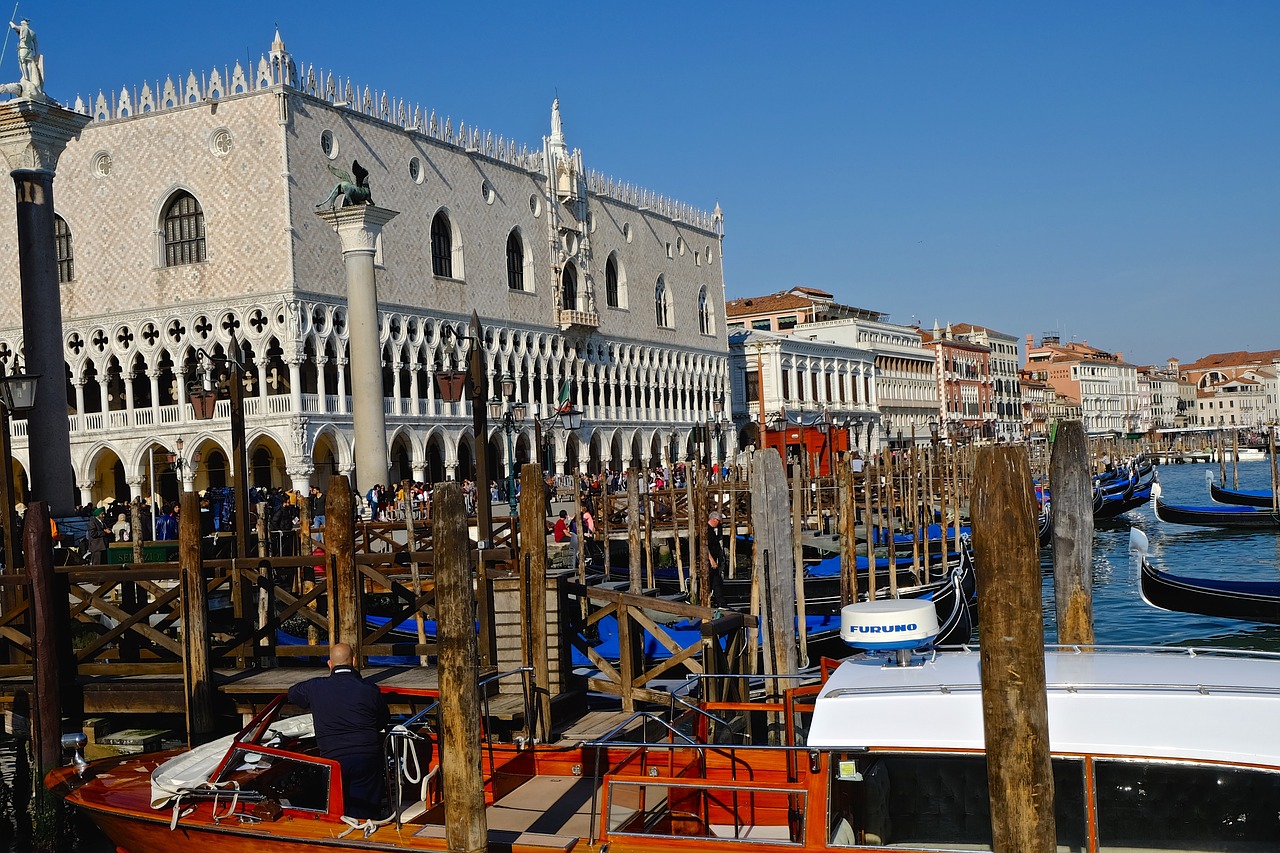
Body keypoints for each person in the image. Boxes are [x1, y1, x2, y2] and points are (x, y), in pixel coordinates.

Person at [287, 642, 388, 819]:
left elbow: (292, 693)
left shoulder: (314, 687)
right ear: (354, 661)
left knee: (334, 811)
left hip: (333, 760)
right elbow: (383, 721)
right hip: (366, 757)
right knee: (367, 814)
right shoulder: (370, 690)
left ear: (329, 664)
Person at [706, 511, 726, 607]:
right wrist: (712, 560)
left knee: (717, 582)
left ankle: (721, 603)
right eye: (719, 521)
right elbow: (705, 548)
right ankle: (706, 601)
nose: (719, 523)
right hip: (709, 562)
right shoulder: (707, 531)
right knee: (709, 581)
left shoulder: (712, 531)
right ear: (714, 520)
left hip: (714, 561)